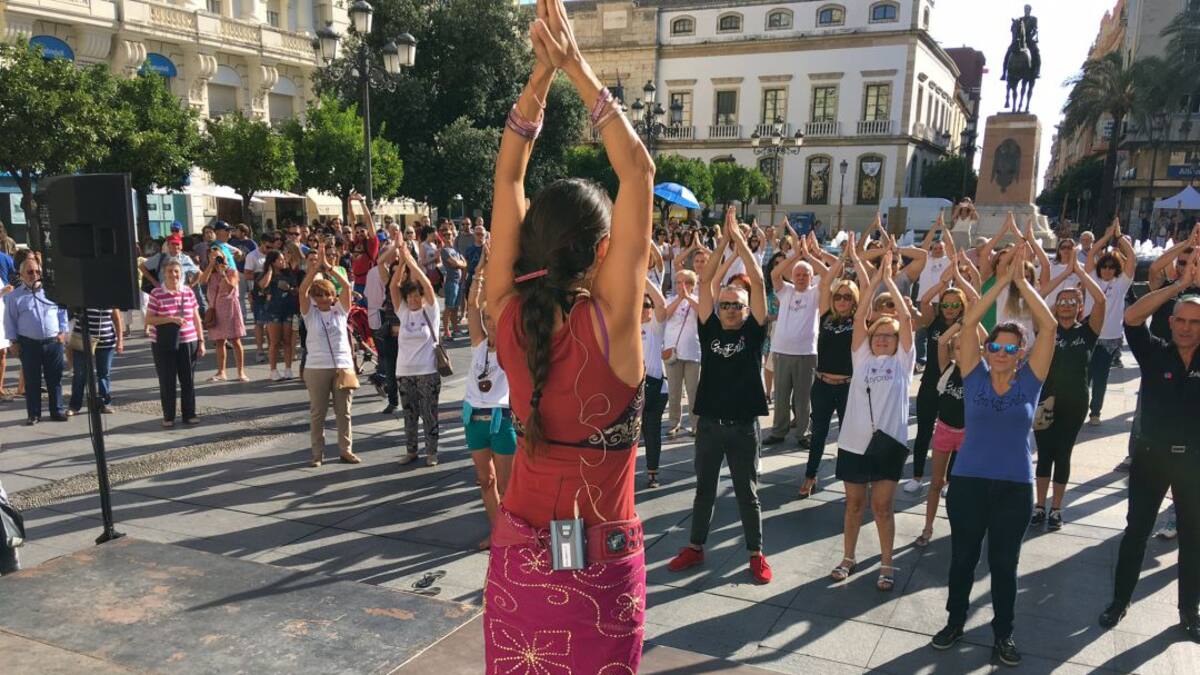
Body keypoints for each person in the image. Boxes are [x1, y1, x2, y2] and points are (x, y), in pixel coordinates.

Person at [482, 1, 654, 666]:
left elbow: (506, 176)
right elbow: (637, 170)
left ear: (527, 244)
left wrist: (538, 81)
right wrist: (573, 65)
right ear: (604, 250)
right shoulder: (611, 323)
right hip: (602, 572)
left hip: (520, 559)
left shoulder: (507, 312)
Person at [931, 245, 1055, 667]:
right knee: (963, 558)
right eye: (996, 348)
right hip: (967, 483)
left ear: (1020, 355)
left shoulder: (1030, 382)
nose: (1002, 354)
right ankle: (954, 622)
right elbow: (968, 323)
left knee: (1005, 564)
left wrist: (1022, 284)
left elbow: (1050, 327)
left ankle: (1004, 634)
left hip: (1015, 488)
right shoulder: (975, 376)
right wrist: (1000, 282)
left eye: (1010, 350)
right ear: (987, 352)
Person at [1098, 252, 1200, 644]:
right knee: (1136, 532)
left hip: (1194, 464)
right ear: (1171, 322)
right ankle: (1119, 601)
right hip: (1151, 459)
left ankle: (1188, 612)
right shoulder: (1155, 351)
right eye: (1181, 321)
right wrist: (1178, 287)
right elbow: (1132, 318)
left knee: (1192, 539)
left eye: (1195, 322)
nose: (1187, 329)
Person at [668, 208, 773, 583]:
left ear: (747, 310)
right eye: (725, 304)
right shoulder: (709, 328)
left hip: (743, 427)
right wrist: (723, 242)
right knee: (704, 491)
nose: (729, 309)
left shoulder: (754, 332)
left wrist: (742, 242)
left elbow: (758, 283)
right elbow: (707, 279)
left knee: (748, 494)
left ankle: (756, 555)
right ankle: (695, 547)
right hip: (710, 424)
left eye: (736, 305)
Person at [831, 249, 914, 593]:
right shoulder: (861, 357)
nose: (883, 338)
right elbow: (862, 313)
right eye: (878, 333)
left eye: (889, 335)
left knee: (882, 507)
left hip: (889, 444)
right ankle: (848, 557)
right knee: (853, 505)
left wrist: (890, 282)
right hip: (854, 442)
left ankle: (886, 562)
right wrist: (874, 283)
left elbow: (907, 319)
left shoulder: (903, 363)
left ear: (897, 341)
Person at [1033, 255, 1106, 530]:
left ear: (1078, 308)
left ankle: (1056, 509)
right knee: (1045, 453)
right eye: (1061, 301)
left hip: (1075, 402)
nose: (1066, 304)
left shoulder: (1087, 331)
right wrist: (1063, 277)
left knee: (1063, 454)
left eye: (1072, 302)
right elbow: (1036, 297)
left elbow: (1100, 302)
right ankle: (1039, 505)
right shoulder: (1047, 330)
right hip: (1046, 399)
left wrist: (1081, 274)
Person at [906, 257, 978, 494]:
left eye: (955, 305)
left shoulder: (969, 325)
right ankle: (917, 476)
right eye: (946, 305)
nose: (949, 309)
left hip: (957, 387)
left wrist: (960, 280)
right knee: (924, 430)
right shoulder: (933, 320)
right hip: (930, 383)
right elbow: (925, 300)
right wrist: (944, 282)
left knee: (956, 431)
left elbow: (976, 300)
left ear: (962, 306)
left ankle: (948, 479)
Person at [463, 247, 517, 548]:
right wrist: (480, 270)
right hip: (474, 418)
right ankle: (498, 533)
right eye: (487, 317)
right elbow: (471, 305)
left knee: (508, 486)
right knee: (486, 481)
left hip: (502, 419)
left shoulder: (513, 346)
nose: (490, 322)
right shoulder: (478, 344)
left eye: (495, 317)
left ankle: (512, 534)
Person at [800, 250, 858, 498]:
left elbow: (866, 284)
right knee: (819, 435)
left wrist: (855, 259)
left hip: (847, 386)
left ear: (855, 300)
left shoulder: (860, 320)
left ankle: (849, 481)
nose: (842, 301)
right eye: (838, 297)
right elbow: (825, 282)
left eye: (847, 297)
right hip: (822, 384)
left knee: (848, 435)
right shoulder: (825, 315)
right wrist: (840, 258)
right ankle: (810, 476)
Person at [298, 243, 359, 467]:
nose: (323, 298)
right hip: (316, 367)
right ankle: (317, 454)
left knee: (344, 413)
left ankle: (346, 450)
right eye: (319, 295)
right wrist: (314, 270)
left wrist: (331, 268)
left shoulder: (340, 311)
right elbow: (302, 291)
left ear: (334, 296)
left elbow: (347, 288)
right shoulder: (309, 313)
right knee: (318, 413)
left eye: (328, 294)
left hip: (342, 365)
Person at [764, 232, 823, 447]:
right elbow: (774, 273)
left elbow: (828, 273)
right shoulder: (785, 291)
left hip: (806, 353)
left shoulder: (816, 292)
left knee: (803, 398)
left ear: (810, 276)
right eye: (797, 274)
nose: (800, 277)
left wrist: (809, 255)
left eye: (805, 274)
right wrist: (795, 255)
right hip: (781, 351)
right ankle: (778, 431)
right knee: (780, 396)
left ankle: (802, 433)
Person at [389, 241, 442, 467]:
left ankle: (432, 452)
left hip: (427, 371)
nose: (413, 299)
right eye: (409, 296)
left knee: (429, 413)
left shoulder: (430, 311)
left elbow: (428, 286)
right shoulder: (403, 312)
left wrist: (412, 262)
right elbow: (393, 288)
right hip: (404, 371)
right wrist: (401, 262)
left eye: (416, 296)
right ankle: (411, 450)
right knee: (409, 414)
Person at [915, 323, 967, 547]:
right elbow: (941, 341)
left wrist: (973, 326)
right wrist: (960, 324)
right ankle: (928, 526)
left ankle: (962, 528)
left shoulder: (980, 373)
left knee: (962, 487)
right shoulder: (948, 367)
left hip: (968, 436)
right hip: (945, 430)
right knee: (937, 481)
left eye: (967, 347)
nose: (962, 352)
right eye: (958, 348)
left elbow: (987, 342)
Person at [4, 257, 70, 424]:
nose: (34, 275)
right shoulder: (14, 296)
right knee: (32, 381)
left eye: (37, 271)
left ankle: (57, 410)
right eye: (30, 272)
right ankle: (34, 414)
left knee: (54, 379)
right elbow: (10, 320)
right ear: (21, 274)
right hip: (29, 343)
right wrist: (13, 342)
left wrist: (63, 332)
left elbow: (62, 312)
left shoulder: (51, 292)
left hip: (53, 342)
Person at [1084, 218, 1136, 426]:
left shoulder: (1121, 283)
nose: (1106, 270)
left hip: (1109, 338)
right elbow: (1090, 254)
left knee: (1101, 376)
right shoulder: (1092, 279)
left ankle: (1095, 412)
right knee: (1083, 377)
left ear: (1116, 269)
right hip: (1089, 333)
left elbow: (1132, 257)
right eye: (1104, 266)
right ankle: (1079, 409)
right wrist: (1107, 236)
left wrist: (1120, 237)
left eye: (1111, 267)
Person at [146, 259, 206, 427]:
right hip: (163, 342)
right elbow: (148, 320)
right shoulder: (156, 293)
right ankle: (169, 416)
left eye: (176, 271)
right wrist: (170, 319)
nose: (174, 275)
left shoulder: (188, 292)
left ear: (182, 274)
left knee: (188, 380)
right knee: (167, 380)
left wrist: (201, 341)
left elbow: (196, 318)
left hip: (188, 341)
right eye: (170, 271)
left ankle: (189, 414)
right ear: (163, 274)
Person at [663, 268, 701, 437]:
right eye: (678, 282)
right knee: (674, 391)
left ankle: (696, 424)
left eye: (685, 282)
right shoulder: (669, 299)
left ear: (692, 285)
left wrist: (688, 298)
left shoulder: (697, 299)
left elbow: (702, 314)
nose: (681, 285)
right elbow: (664, 315)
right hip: (673, 352)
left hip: (693, 352)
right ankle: (673, 423)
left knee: (693, 391)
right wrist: (679, 299)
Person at [199, 250, 248, 382]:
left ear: (224, 257)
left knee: (235, 340)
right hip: (215, 309)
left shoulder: (231, 271)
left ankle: (241, 372)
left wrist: (222, 272)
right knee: (219, 341)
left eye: (218, 256)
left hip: (230, 308)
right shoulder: (210, 272)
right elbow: (202, 281)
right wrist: (211, 265)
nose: (216, 258)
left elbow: (229, 287)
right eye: (212, 256)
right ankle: (221, 372)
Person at [67, 308, 123, 415]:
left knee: (104, 374)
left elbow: (117, 319)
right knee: (79, 374)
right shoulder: (82, 295)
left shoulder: (110, 297)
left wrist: (120, 340)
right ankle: (74, 406)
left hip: (106, 341)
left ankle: (105, 403)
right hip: (82, 340)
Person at [641, 280, 670, 488]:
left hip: (655, 388)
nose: (643, 309)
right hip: (631, 388)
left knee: (652, 431)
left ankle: (653, 474)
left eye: (646, 305)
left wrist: (642, 276)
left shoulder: (655, 327)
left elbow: (661, 304)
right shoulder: (627, 324)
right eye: (640, 305)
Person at [365, 245, 400, 413]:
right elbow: (380, 263)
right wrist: (395, 246)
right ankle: (393, 401)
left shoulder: (411, 290)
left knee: (406, 373)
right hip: (392, 336)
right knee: (391, 370)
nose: (397, 275)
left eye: (400, 271)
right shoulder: (389, 285)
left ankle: (410, 400)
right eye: (393, 272)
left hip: (408, 337)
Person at [257, 250, 300, 380]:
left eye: (283, 259)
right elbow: (262, 285)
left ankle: (288, 369)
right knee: (275, 342)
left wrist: (289, 288)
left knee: (287, 341)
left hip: (288, 309)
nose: (283, 261)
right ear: (273, 262)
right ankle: (273, 370)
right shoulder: (264, 275)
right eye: (280, 259)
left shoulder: (289, 274)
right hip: (273, 311)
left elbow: (297, 290)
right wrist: (270, 272)